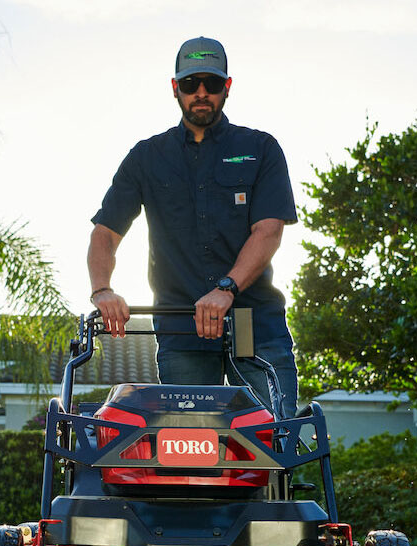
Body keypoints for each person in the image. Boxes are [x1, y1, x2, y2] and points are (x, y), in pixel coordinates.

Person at [87, 36, 299, 416]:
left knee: (270, 445)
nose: (201, 93)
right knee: (188, 450)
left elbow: (268, 230)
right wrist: (102, 290)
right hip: (181, 330)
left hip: (255, 325)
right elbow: (105, 234)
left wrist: (226, 288)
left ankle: (274, 467)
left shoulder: (261, 149)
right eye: (190, 84)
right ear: (175, 88)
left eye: (212, 84)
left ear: (227, 88)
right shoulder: (146, 158)